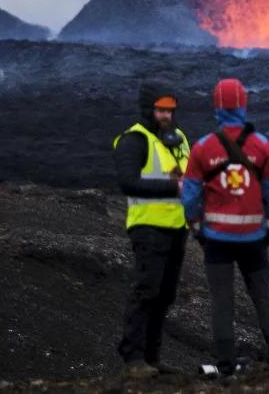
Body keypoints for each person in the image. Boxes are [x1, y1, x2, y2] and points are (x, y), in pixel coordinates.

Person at [181, 78, 269, 375]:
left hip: (216, 240)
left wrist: (196, 226)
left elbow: (189, 195)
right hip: (254, 239)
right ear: (244, 104)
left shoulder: (203, 147)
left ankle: (226, 364)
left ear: (216, 106)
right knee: (262, 294)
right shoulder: (262, 145)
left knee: (221, 300)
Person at [113, 82, 191, 377]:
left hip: (176, 227)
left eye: (170, 110)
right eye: (160, 110)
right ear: (148, 109)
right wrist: (176, 187)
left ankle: (152, 357)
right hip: (147, 227)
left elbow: (190, 174)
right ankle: (133, 359)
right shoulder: (133, 140)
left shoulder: (180, 138)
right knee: (146, 290)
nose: (166, 116)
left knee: (165, 294)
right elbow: (128, 183)